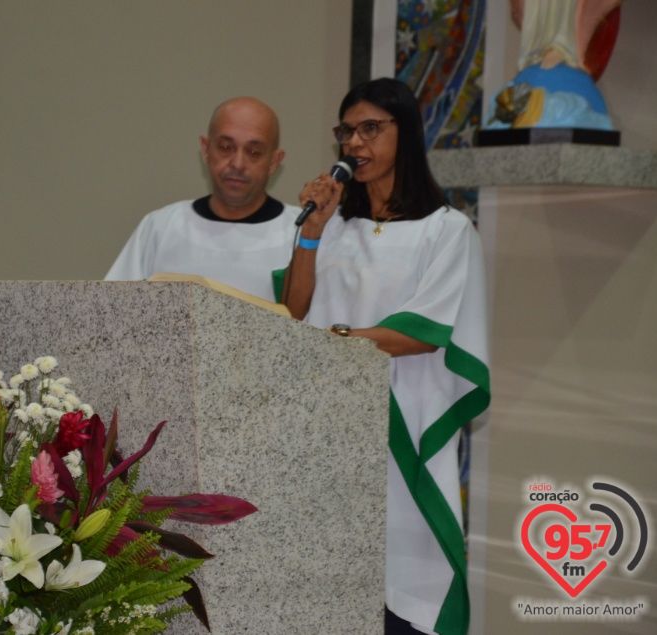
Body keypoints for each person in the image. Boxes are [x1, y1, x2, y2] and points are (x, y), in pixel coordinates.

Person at [284, 78, 490, 635]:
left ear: (407, 133)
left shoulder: (446, 232)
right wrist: (311, 236)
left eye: (371, 128)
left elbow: (424, 331)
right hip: (327, 426)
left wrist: (340, 342)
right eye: (347, 130)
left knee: (400, 591)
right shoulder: (329, 226)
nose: (355, 142)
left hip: (405, 419)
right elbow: (292, 310)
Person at [105, 96, 300, 302]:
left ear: (274, 161)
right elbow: (112, 311)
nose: (237, 163)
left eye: (253, 152)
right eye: (226, 147)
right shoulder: (160, 228)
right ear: (206, 149)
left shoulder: (300, 235)